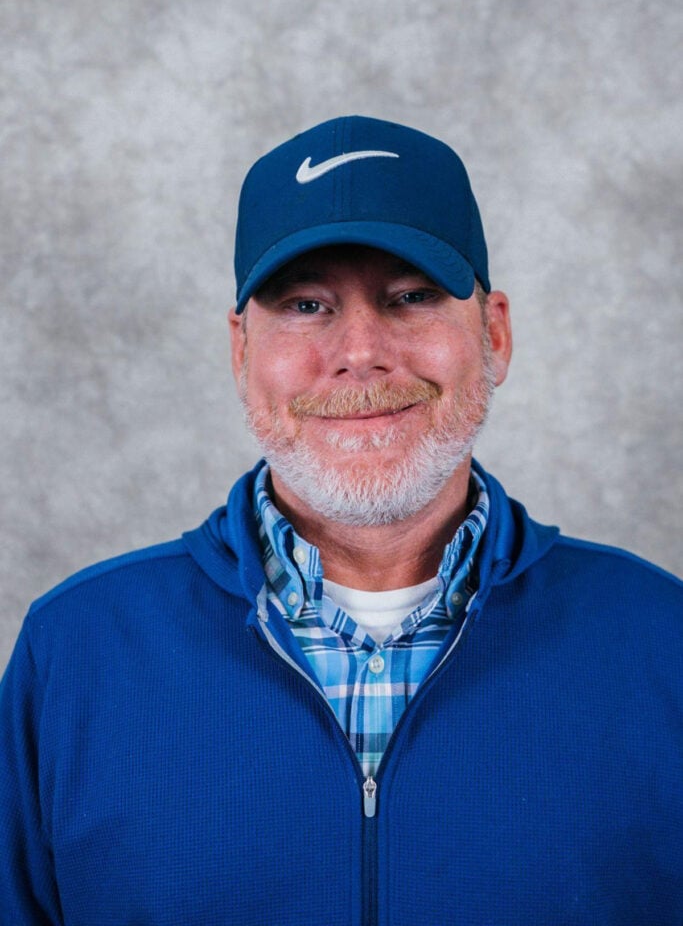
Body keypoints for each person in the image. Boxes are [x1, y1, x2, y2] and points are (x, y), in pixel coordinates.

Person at [0, 115, 681, 925]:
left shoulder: (658, 642)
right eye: (306, 303)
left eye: (411, 296)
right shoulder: (77, 651)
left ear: (493, 333)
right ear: (239, 348)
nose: (360, 350)